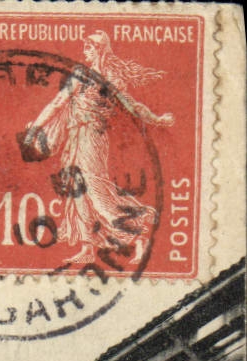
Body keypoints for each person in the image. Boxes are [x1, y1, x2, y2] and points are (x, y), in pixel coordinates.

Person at [22, 30, 173, 267]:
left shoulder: (112, 79)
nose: (85, 52)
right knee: (76, 192)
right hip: (74, 136)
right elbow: (57, 103)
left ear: (100, 50)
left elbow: (133, 107)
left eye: (90, 48)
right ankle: (87, 248)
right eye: (85, 48)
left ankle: (140, 233)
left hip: (93, 138)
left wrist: (157, 120)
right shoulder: (81, 74)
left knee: (97, 192)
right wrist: (34, 129)